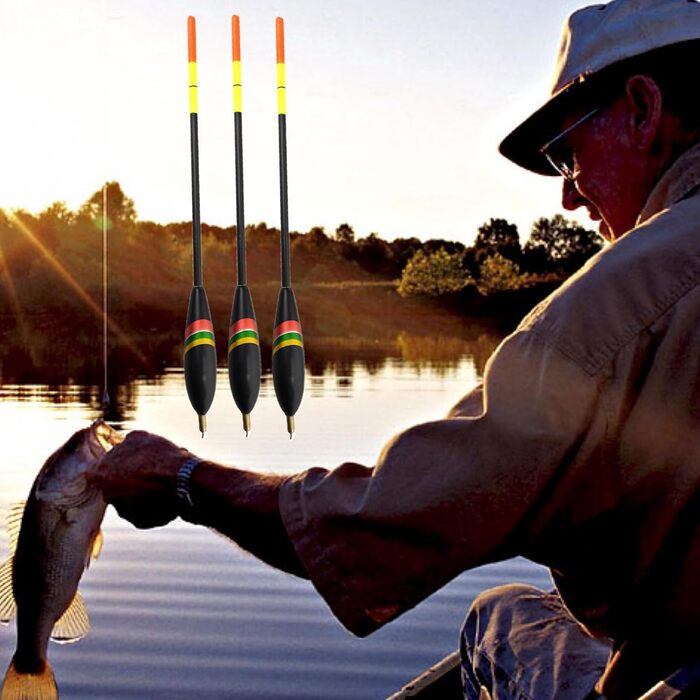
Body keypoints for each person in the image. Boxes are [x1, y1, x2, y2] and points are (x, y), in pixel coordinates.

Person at [100, 0, 700, 697]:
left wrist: (182, 479)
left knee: (495, 620)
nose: (568, 198)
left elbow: (379, 526)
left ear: (641, 107)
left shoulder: (620, 301)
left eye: (565, 151)